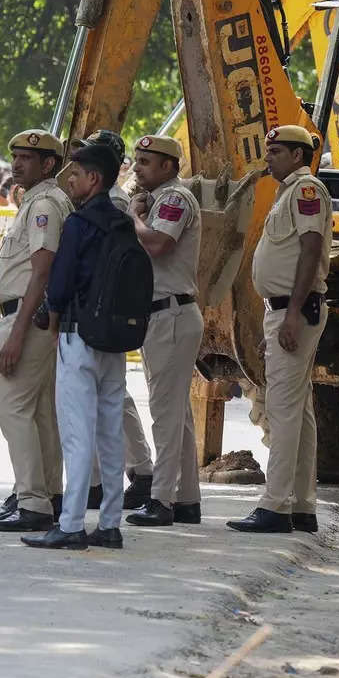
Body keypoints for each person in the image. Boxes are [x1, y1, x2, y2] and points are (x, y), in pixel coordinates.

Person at [23, 142, 134, 552]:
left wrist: (52, 318)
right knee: (109, 433)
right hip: (114, 340)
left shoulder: (79, 223)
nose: (70, 179)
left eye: (77, 173)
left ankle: (70, 525)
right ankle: (110, 524)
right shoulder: (123, 222)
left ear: (95, 179)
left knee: (76, 433)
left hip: (77, 335)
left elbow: (62, 280)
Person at [231, 125, 331, 535]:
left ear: (297, 155)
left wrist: (290, 314)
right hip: (288, 310)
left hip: (296, 310)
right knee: (299, 411)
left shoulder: (307, 191)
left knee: (283, 410)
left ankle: (275, 506)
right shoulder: (290, 192)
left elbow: (310, 249)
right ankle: (302, 505)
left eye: (275, 151)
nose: (268, 157)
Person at [0, 130, 71, 533]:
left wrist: (16, 334)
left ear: (49, 164)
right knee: (38, 412)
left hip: (28, 318)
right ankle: (45, 495)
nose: (17, 164)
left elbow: (41, 270)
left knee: (13, 408)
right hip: (31, 317)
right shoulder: (36, 200)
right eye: (15, 157)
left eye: (27, 158)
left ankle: (32, 501)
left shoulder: (45, 205)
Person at [125, 134, 203, 527]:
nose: (137, 167)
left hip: (170, 314)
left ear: (169, 166)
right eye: (137, 160)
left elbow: (157, 244)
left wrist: (134, 216)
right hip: (164, 315)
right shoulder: (160, 199)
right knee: (178, 415)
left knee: (165, 414)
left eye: (146, 161)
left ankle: (162, 500)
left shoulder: (174, 198)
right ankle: (187, 499)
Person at [77, 128, 156, 509]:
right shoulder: (99, 199)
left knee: (112, 395)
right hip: (94, 308)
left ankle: (139, 470)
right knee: (95, 397)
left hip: (106, 310)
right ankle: (97, 480)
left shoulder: (114, 202)